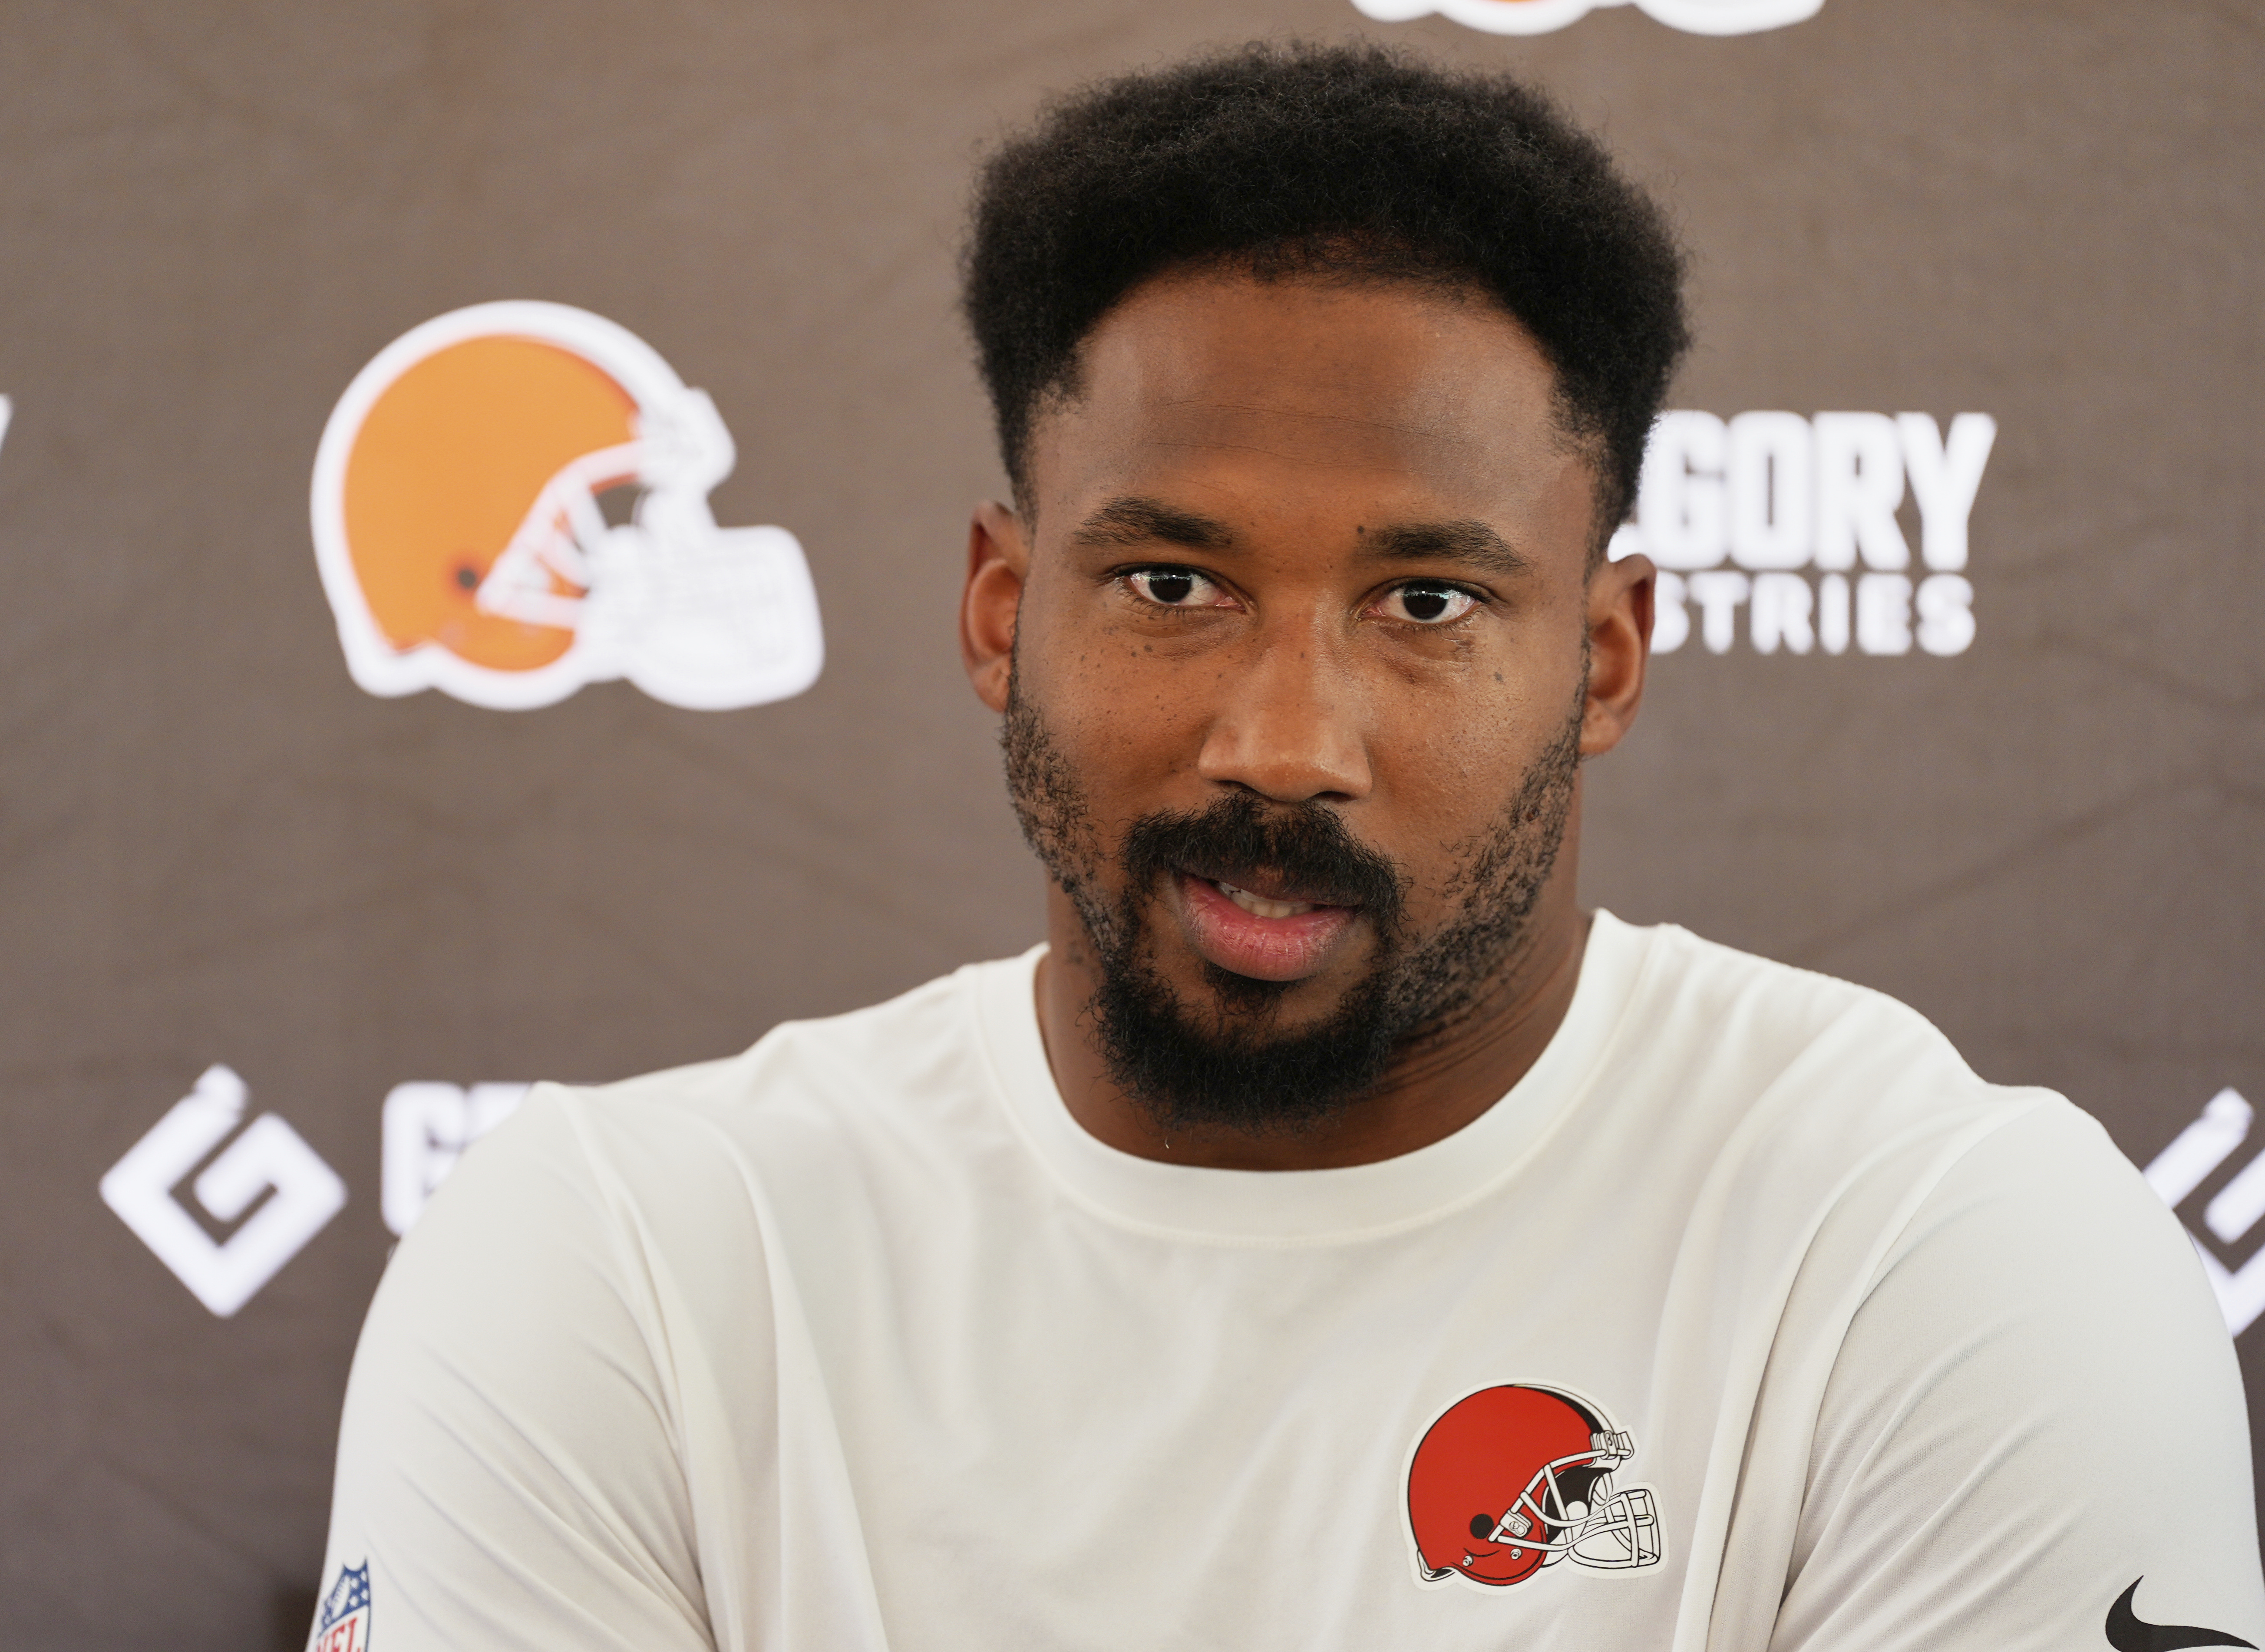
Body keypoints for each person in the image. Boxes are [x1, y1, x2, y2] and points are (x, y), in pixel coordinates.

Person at [310, 41, 2262, 1652]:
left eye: (1424, 605)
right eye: (1171, 579)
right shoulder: (621, 1256)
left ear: (1599, 658)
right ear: (1002, 610)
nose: (1280, 743)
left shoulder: (1941, 1253)